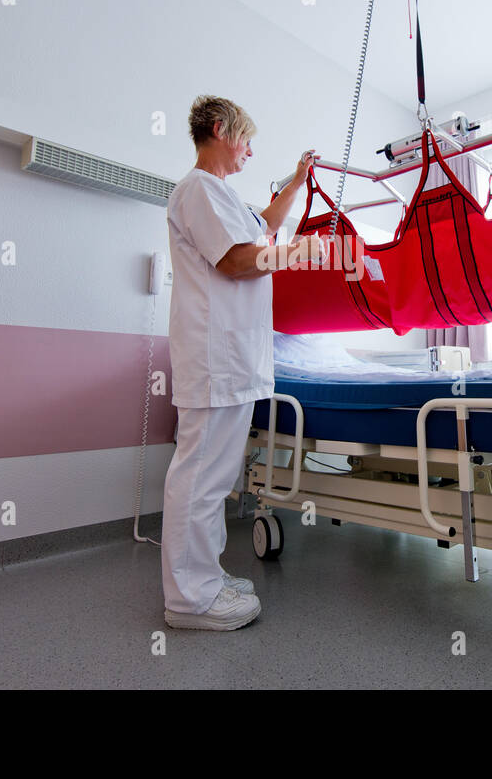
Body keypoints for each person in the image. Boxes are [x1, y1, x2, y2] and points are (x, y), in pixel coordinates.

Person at [161, 95, 324, 631]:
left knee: (213, 477)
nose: (252, 151)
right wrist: (298, 253)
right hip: (214, 359)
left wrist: (298, 181)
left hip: (230, 360)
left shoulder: (224, 195)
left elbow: (265, 224)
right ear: (219, 130)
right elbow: (236, 261)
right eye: (246, 139)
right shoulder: (198, 190)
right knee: (202, 480)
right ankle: (190, 599)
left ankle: (203, 577)